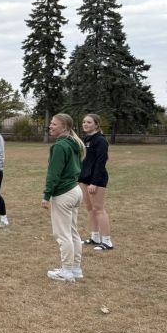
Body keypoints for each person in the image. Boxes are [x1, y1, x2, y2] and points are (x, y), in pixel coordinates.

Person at [42, 113, 86, 282]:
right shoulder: (74, 144)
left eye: (54, 124)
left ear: (65, 127)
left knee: (63, 234)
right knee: (73, 232)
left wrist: (46, 195)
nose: (50, 126)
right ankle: (75, 268)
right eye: (50, 124)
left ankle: (67, 271)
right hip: (75, 191)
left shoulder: (60, 146)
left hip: (64, 193)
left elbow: (54, 173)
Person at [79, 114, 113, 251]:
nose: (85, 124)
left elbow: (101, 162)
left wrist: (94, 182)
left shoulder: (100, 140)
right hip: (84, 178)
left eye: (89, 122)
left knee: (98, 209)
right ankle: (95, 237)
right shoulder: (86, 139)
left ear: (96, 124)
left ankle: (107, 241)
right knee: (90, 208)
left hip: (96, 180)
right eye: (84, 122)